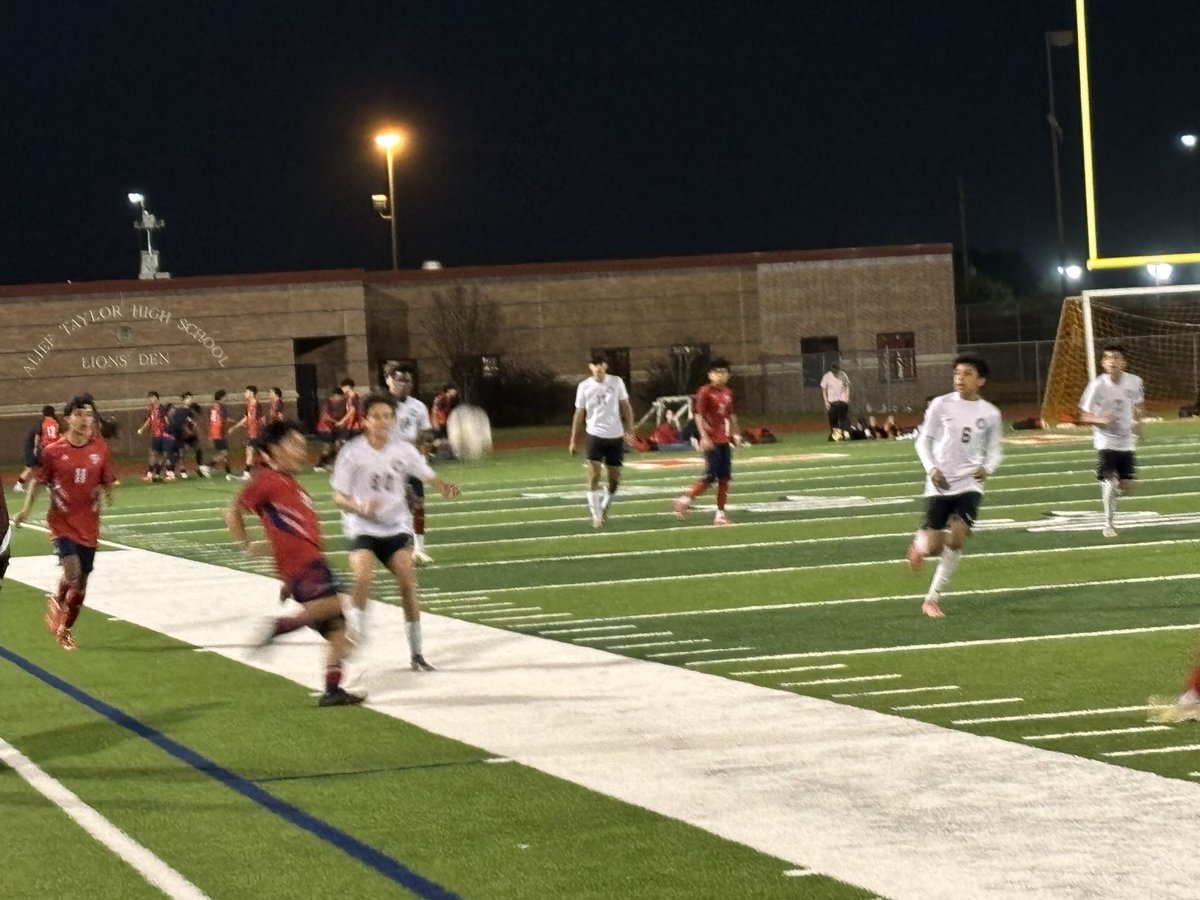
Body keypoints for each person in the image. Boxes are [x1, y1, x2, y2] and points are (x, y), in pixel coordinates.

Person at [225, 419, 364, 707]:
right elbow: (232, 512)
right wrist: (246, 544)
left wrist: (288, 582)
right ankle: (282, 625)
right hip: (306, 566)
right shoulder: (266, 480)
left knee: (339, 633)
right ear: (273, 450)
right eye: (294, 444)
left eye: (303, 444)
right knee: (336, 604)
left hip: (305, 566)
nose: (303, 450)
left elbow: (286, 535)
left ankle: (332, 691)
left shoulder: (292, 485)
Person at [331, 393, 461, 672]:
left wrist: (444, 488)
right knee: (364, 575)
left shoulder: (404, 450)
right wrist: (358, 506)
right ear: (364, 420)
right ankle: (358, 628)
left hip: (395, 526)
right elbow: (338, 497)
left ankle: (417, 654)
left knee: (407, 582)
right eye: (376, 416)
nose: (383, 421)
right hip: (362, 525)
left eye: (388, 416)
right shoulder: (352, 452)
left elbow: (428, 476)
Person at [903, 354, 1003, 618]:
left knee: (957, 537)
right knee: (934, 547)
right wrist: (931, 469)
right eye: (957, 373)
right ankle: (919, 545)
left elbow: (995, 450)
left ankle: (932, 599)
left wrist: (987, 467)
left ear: (981, 380)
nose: (960, 378)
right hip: (940, 481)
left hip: (970, 482)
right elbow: (922, 441)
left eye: (967, 373)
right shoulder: (940, 404)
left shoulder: (990, 413)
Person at [13, 396, 116, 650]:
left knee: (81, 581)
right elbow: (39, 481)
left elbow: (107, 479)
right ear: (68, 418)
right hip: (62, 523)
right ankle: (58, 600)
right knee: (71, 571)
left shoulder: (100, 449)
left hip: (89, 525)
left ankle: (65, 628)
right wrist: (26, 509)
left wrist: (108, 491)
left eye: (89, 415)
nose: (85, 419)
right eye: (79, 414)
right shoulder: (53, 452)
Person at [1077, 344, 1145, 538]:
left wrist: (1137, 421)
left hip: (1126, 440)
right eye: (1108, 358)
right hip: (1105, 439)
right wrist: (1101, 420)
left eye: (1116, 357)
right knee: (1109, 481)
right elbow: (1084, 416)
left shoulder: (1135, 382)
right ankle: (1108, 524)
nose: (1113, 361)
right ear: (1103, 363)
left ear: (1124, 362)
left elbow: (1139, 405)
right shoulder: (1097, 385)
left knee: (1125, 485)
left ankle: (1120, 482)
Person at [568, 351, 635, 528]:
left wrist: (630, 430)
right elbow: (579, 413)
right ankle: (596, 514)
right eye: (594, 364)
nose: (598, 367)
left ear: (606, 365)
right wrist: (573, 439)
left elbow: (626, 406)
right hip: (594, 435)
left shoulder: (616, 382)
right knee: (593, 476)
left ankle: (604, 506)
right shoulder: (584, 386)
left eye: (601, 364)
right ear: (590, 367)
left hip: (615, 436)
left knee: (614, 481)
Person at [673, 358, 740, 526]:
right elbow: (698, 415)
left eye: (723, 372)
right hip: (712, 440)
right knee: (710, 477)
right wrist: (704, 436)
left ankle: (720, 514)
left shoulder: (728, 392)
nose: (720, 375)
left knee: (724, 478)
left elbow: (731, 415)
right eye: (716, 372)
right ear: (710, 375)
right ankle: (686, 498)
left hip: (723, 439)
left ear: (728, 375)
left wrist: (736, 433)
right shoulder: (704, 391)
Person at [383, 364, 436, 563]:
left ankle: (419, 549)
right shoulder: (382, 405)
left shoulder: (418, 406)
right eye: (400, 380)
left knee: (418, 503)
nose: (404, 385)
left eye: (408, 381)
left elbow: (425, 432)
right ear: (389, 380)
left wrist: (426, 444)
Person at [15, 405, 59, 492]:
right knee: (31, 468)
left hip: (40, 448)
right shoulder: (54, 422)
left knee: (45, 467)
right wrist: (36, 447)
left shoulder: (43, 422)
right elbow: (38, 436)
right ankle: (19, 484)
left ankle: (48, 484)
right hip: (35, 448)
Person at [227, 385, 262, 480]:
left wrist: (257, 428)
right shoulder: (249, 404)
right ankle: (249, 473)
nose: (245, 394)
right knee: (251, 451)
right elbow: (247, 418)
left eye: (246, 392)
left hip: (256, 432)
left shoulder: (255, 403)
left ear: (251, 393)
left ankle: (247, 473)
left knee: (251, 451)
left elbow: (259, 418)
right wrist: (235, 427)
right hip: (252, 432)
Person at [136, 390, 169, 481]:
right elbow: (149, 420)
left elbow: (166, 420)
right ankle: (152, 473)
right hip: (155, 434)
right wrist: (142, 429)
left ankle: (156, 472)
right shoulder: (152, 409)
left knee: (161, 454)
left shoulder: (161, 408)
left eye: (152, 397)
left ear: (156, 398)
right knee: (153, 453)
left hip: (162, 434)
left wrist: (168, 431)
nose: (150, 399)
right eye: (150, 397)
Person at [313, 387, 345, 472]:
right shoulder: (327, 404)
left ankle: (327, 464)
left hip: (332, 429)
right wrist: (337, 422)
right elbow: (325, 418)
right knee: (327, 448)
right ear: (335, 395)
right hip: (324, 429)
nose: (341, 399)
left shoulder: (337, 405)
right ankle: (318, 465)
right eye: (340, 397)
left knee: (336, 446)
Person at [820, 361, 852, 441]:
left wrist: (847, 398)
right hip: (833, 402)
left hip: (842, 400)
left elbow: (847, 386)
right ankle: (836, 435)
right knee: (833, 420)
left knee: (843, 418)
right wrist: (826, 401)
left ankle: (846, 433)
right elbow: (824, 389)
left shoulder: (843, 375)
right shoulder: (827, 376)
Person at [209, 389, 234, 479]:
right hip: (219, 433)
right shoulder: (221, 407)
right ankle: (209, 465)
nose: (226, 399)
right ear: (221, 397)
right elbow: (225, 419)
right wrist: (238, 422)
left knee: (224, 453)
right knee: (224, 452)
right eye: (225, 397)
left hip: (215, 433)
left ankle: (228, 472)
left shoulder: (214, 406)